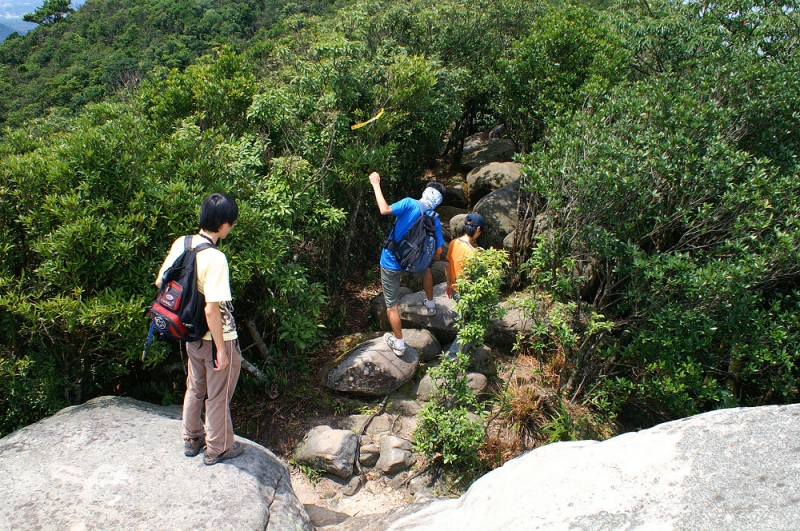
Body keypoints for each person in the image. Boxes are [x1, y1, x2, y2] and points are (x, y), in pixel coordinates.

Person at [155, 192, 243, 466]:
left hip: (190, 334)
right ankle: (218, 447)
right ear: (224, 223)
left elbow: (161, 282)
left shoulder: (182, 243)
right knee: (218, 394)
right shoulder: (215, 258)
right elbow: (211, 309)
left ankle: (192, 437)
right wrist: (221, 350)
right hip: (217, 336)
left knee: (195, 387)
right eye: (232, 221)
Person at [369, 171, 445, 357]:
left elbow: (384, 210)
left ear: (426, 192)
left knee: (391, 305)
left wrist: (375, 184)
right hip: (415, 263)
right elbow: (439, 251)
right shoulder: (434, 218)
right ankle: (430, 304)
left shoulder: (410, 203)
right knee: (426, 270)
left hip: (391, 261)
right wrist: (428, 256)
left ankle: (400, 343)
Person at [445, 212, 484, 300]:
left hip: (454, 289)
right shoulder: (471, 251)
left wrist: (448, 285)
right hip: (466, 293)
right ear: (478, 229)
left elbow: (447, 265)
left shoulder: (453, 242)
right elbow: (471, 277)